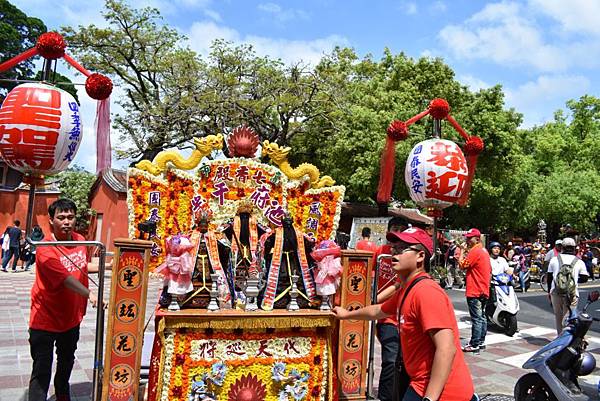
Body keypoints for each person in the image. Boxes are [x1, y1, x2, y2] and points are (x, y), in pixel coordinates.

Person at [333, 227, 475, 401]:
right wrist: (346, 314)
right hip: (419, 383)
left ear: (420, 256)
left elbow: (446, 348)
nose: (394, 253)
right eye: (394, 248)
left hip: (443, 391)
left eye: (402, 248)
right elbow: (379, 310)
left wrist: (430, 398)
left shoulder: (426, 292)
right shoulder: (407, 289)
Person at [28, 199, 107, 401]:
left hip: (71, 318)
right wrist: (90, 294)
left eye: (70, 217)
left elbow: (81, 266)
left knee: (66, 362)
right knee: (42, 369)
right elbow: (66, 279)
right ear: (51, 220)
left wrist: (109, 266)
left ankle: (63, 395)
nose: (66, 222)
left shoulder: (80, 240)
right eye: (61, 217)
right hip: (44, 319)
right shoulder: (45, 249)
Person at [371, 217, 406, 401]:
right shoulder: (381, 252)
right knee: (391, 360)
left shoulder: (408, 256)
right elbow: (371, 275)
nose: (397, 233)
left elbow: (399, 285)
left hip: (405, 314)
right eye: (395, 228)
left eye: (401, 229)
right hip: (386, 316)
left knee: (405, 361)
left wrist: (373, 301)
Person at [546, 237, 589, 335]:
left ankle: (559, 337)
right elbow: (585, 278)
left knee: (558, 316)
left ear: (562, 247)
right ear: (574, 248)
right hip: (572, 293)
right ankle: (567, 338)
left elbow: (549, 278)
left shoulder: (554, 260)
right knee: (569, 317)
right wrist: (573, 280)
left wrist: (549, 291)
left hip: (555, 292)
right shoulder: (579, 261)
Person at [459, 228, 492, 353]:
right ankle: (481, 341)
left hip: (475, 289)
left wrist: (462, 251)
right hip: (483, 289)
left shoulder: (475, 251)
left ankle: (474, 343)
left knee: (477, 318)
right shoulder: (484, 251)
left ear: (477, 239)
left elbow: (463, 265)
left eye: (469, 238)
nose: (467, 240)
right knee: (482, 317)